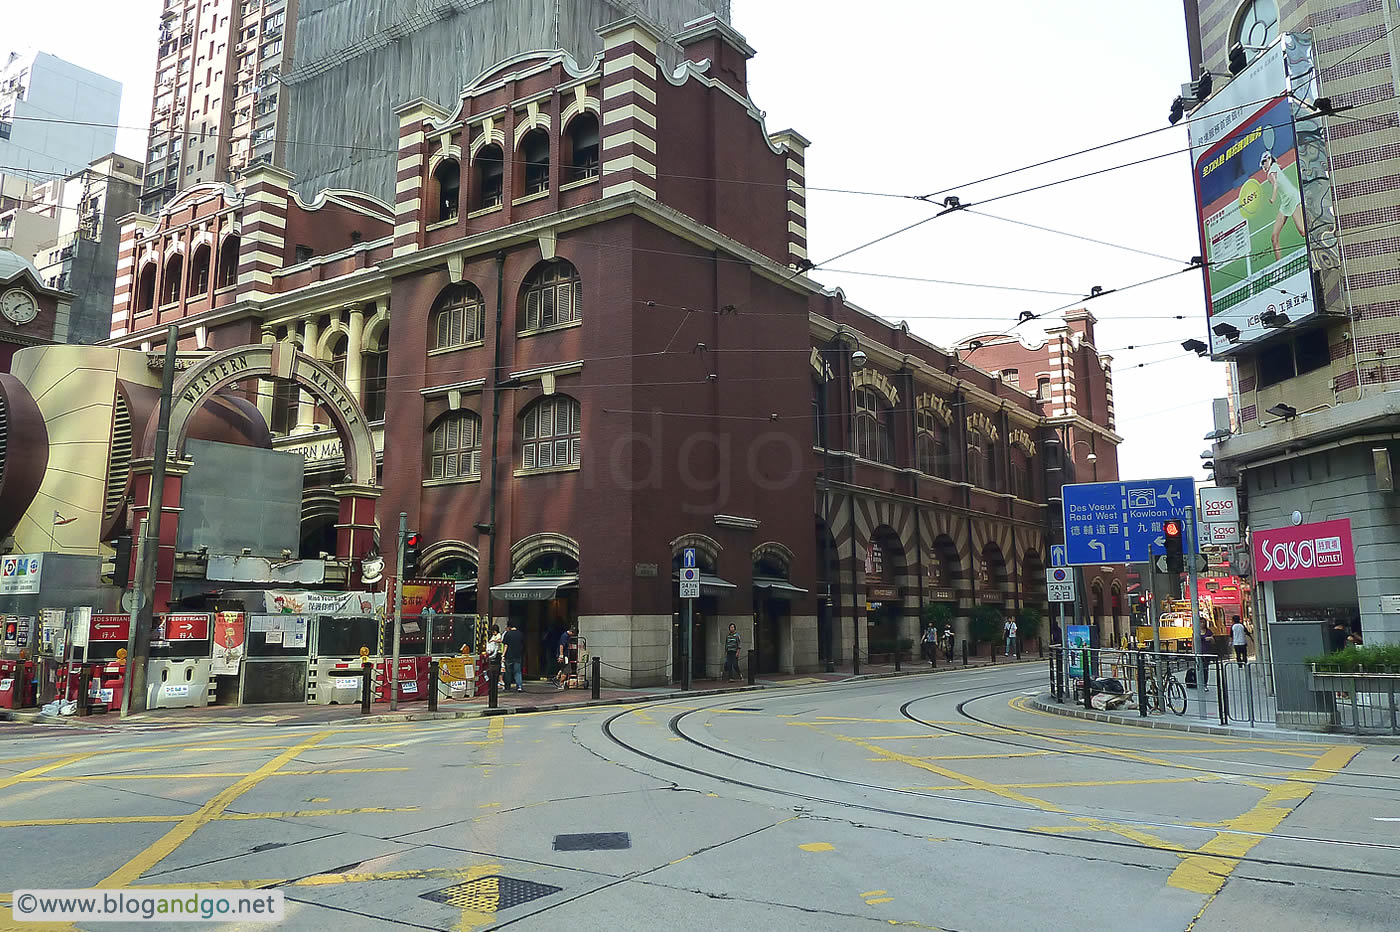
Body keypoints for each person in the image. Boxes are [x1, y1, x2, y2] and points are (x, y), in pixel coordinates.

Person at [1260, 151, 1306, 262]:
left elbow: (1275, 185)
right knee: (1274, 237)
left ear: (1269, 159)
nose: (1263, 165)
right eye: (1262, 163)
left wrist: (1272, 199)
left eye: (1264, 162)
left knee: (1303, 232)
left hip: (1293, 198)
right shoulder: (1275, 166)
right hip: (1285, 203)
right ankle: (1279, 267)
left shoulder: (1270, 173)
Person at [502, 621, 525, 692]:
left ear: (509, 626)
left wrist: (503, 655)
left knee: (508, 672)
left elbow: (506, 645)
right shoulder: (520, 634)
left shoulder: (507, 634)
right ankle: (519, 686)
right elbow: (522, 645)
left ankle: (507, 687)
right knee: (517, 672)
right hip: (518, 655)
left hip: (509, 655)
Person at [485, 624, 504, 691]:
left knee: (497, 668)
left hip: (498, 653)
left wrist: (493, 641)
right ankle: (495, 681)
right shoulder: (494, 636)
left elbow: (500, 641)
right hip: (493, 653)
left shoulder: (499, 635)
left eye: (494, 631)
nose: (493, 633)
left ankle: (499, 681)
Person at [555, 625, 574, 690]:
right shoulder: (565, 636)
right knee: (566, 670)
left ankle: (558, 676)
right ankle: (561, 683)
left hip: (565, 655)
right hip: (564, 656)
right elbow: (561, 646)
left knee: (563, 668)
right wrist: (561, 656)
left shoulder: (566, 636)